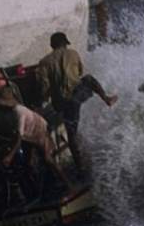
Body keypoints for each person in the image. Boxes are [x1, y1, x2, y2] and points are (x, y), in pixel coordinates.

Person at [0, 86, 73, 189]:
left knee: (48, 158)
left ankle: (68, 185)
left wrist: (9, 156)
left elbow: (18, 137)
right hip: (26, 135)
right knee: (28, 164)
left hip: (39, 130)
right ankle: (38, 189)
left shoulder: (19, 113)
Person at [36, 32, 117, 172]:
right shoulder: (73, 53)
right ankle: (106, 98)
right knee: (89, 79)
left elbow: (45, 88)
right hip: (78, 95)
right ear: (65, 44)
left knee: (71, 133)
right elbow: (80, 73)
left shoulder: (44, 62)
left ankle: (80, 168)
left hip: (62, 103)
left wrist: (45, 98)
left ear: (51, 45)